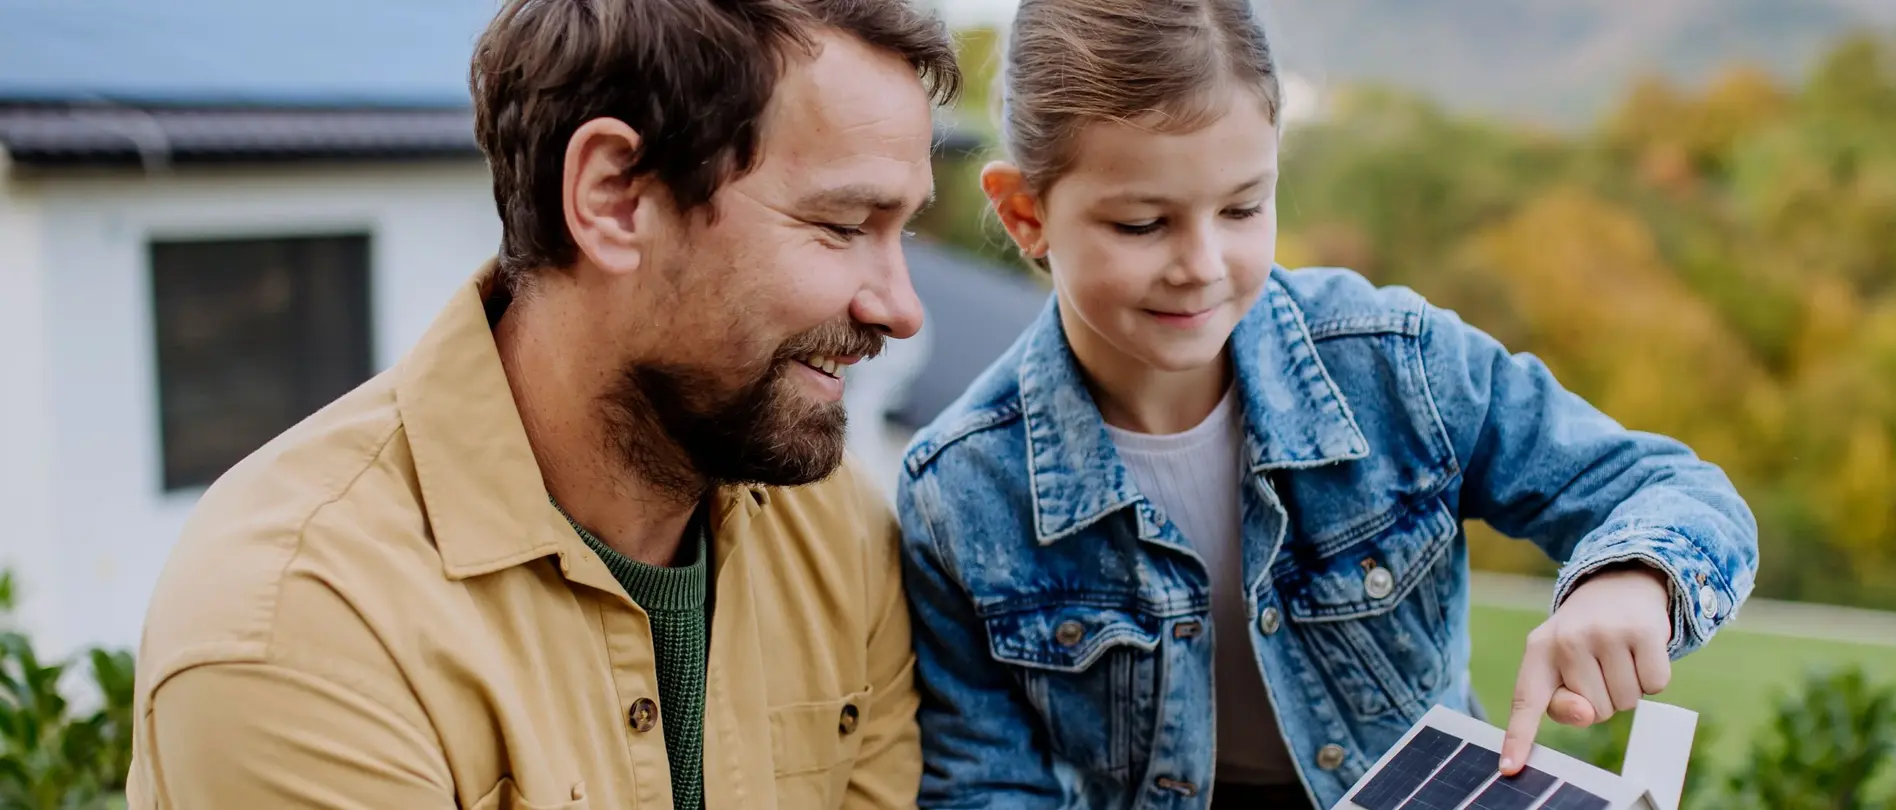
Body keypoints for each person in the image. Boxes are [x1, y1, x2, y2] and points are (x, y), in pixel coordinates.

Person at [894, 0, 1758, 807]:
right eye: (1142, 224)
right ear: (1024, 214)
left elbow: (1678, 491)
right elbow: (987, 786)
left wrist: (1631, 578)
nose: (1203, 262)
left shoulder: (1396, 367)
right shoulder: (962, 492)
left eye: (1243, 208)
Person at [124, 1, 958, 807]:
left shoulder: (839, 532)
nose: (901, 306)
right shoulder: (299, 626)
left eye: (902, 232)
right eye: (844, 224)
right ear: (616, 198)